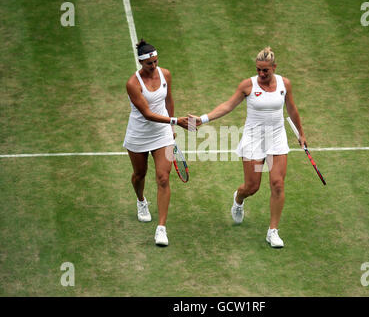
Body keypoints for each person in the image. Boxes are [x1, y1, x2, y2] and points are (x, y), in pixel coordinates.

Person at [190, 47, 307, 248]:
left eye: (265, 71)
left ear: (274, 67)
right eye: (258, 70)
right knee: (252, 187)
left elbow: (292, 109)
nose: (261, 74)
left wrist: (302, 134)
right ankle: (238, 198)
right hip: (253, 139)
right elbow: (227, 106)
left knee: (278, 184)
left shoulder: (284, 84)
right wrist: (202, 119)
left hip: (277, 138)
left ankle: (273, 231)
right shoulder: (248, 85)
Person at [123, 39, 189, 247]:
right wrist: (175, 121)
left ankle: (161, 228)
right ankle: (141, 201)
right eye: (149, 63)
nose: (154, 66)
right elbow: (148, 114)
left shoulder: (165, 74)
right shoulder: (133, 84)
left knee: (162, 178)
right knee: (139, 175)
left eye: (156, 61)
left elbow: (168, 100)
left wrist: (170, 126)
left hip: (162, 133)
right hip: (139, 134)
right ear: (141, 63)